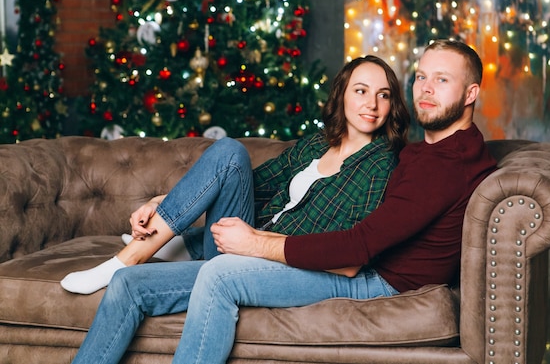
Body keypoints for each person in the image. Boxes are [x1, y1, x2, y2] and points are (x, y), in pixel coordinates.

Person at [69, 40, 498, 364]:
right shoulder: (425, 150)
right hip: (337, 253)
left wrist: (254, 243)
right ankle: (137, 257)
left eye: (442, 80)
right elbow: (253, 183)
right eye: (422, 76)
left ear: (471, 93)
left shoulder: (439, 163)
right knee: (130, 284)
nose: (426, 89)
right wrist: (173, 201)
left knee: (220, 275)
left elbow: (355, 253)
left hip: (373, 278)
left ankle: (170, 247)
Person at [60, 55, 410, 295]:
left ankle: (126, 262)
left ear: (392, 104)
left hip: (270, 261)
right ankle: (177, 242)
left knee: (228, 152)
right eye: (361, 91)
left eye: (383, 95)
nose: (372, 104)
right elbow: (248, 183)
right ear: (343, 95)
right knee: (230, 154)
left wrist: (257, 242)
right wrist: (161, 201)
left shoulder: (381, 164)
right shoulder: (317, 144)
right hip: (239, 241)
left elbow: (350, 245)